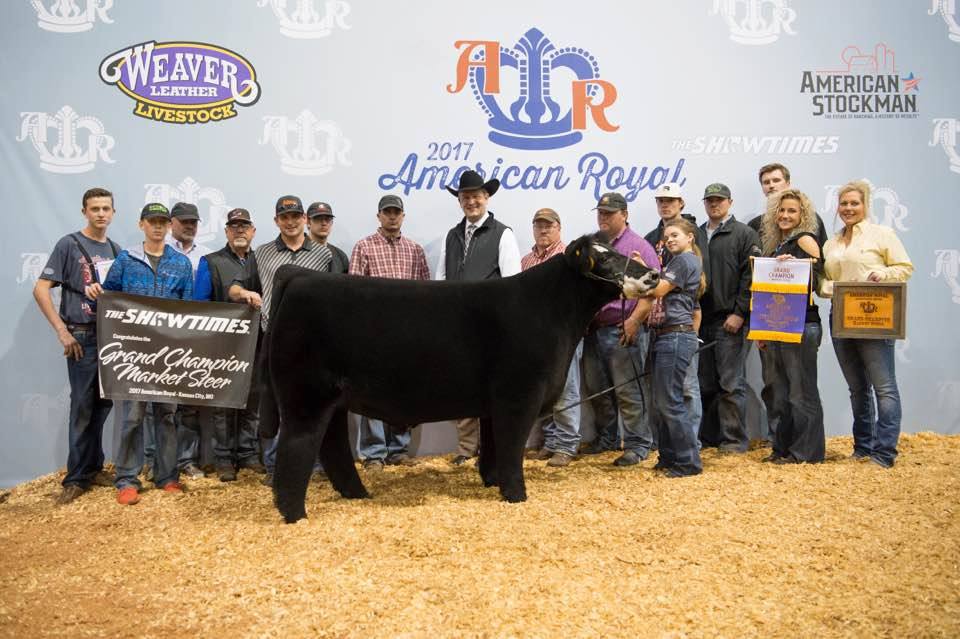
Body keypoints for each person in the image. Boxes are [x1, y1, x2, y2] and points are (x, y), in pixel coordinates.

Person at [85, 203, 194, 505]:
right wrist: (97, 294)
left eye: (162, 222)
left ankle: (168, 476)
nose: (158, 227)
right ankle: (127, 479)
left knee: (168, 415)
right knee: (132, 416)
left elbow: (186, 311)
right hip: (132, 354)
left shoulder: (181, 264)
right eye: (152, 222)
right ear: (141, 224)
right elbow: (109, 302)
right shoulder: (125, 260)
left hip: (168, 355)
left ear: (169, 226)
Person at [229, 195, 333, 486]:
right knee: (275, 405)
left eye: (295, 216)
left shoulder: (324, 255)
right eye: (284, 217)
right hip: (274, 338)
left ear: (304, 220)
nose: (290, 222)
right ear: (276, 221)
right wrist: (246, 294)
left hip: (313, 341)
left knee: (311, 403)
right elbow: (235, 286)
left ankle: (311, 464)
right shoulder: (261, 253)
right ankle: (276, 466)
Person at [33, 187, 121, 504]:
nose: (100, 213)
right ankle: (76, 477)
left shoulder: (116, 250)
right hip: (81, 334)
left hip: (110, 338)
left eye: (106, 208)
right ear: (84, 211)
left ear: (113, 213)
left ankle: (93, 467)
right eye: (94, 208)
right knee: (82, 407)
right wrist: (61, 330)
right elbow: (41, 289)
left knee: (102, 406)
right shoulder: (69, 245)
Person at [821, 180, 914, 468]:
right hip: (841, 315)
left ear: (865, 205)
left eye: (854, 203)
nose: (848, 208)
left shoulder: (881, 234)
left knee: (884, 387)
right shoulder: (832, 242)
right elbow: (824, 280)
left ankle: (884, 452)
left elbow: (904, 268)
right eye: (844, 204)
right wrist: (830, 288)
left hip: (875, 316)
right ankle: (862, 447)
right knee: (857, 387)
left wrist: (880, 275)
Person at [436, 170, 521, 465]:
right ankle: (465, 448)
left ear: (487, 197)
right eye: (465, 197)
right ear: (459, 201)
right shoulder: (452, 234)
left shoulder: (503, 233)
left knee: (492, 388)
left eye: (476, 196)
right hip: (457, 324)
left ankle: (493, 450)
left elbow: (513, 283)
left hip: (490, 325)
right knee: (462, 387)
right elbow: (441, 278)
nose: (471, 201)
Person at [349, 194, 431, 470]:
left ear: (403, 216)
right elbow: (355, 293)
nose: (392, 216)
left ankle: (398, 448)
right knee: (371, 392)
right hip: (373, 332)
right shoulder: (364, 246)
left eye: (396, 212)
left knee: (403, 390)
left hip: (407, 334)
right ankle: (374, 453)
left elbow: (424, 292)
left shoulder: (415, 250)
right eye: (387, 212)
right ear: (379, 216)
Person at [747, 163, 827, 445]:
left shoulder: (805, 239)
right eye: (781, 211)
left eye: (791, 211)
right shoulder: (778, 243)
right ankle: (785, 446)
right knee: (782, 391)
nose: (785, 215)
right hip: (777, 324)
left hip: (802, 323)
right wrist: (761, 326)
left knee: (801, 392)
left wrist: (798, 267)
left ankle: (806, 450)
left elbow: (817, 276)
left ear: (802, 214)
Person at [580, 192, 659, 466]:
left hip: (623, 326)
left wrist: (634, 321)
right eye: (600, 212)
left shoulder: (639, 246)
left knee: (629, 390)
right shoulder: (596, 247)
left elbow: (652, 290)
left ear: (624, 215)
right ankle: (608, 439)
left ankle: (638, 444)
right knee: (598, 388)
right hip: (595, 327)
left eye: (609, 213)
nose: (603, 217)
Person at [193, 208, 265, 481]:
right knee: (223, 403)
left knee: (253, 400)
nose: (239, 231)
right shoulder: (210, 261)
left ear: (253, 231)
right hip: (221, 345)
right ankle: (223, 458)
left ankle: (248, 454)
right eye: (234, 226)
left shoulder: (262, 260)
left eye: (244, 226)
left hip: (256, 343)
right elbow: (199, 305)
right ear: (226, 231)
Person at [697, 183, 761, 453]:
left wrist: (739, 312)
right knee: (706, 383)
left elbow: (752, 276)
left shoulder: (744, 233)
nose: (715, 204)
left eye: (719, 200)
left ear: (730, 202)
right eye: (710, 200)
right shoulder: (697, 235)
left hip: (729, 320)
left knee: (731, 383)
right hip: (702, 319)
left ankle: (734, 441)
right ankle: (711, 438)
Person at [644, 182, 709, 444]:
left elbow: (659, 288)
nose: (665, 204)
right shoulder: (654, 239)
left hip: (677, 329)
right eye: (661, 200)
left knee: (684, 391)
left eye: (670, 200)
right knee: (667, 394)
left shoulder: (685, 257)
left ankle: (688, 446)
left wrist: (641, 272)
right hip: (663, 326)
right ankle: (673, 447)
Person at [520, 208, 582, 467]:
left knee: (565, 388)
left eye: (549, 225)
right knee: (542, 391)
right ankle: (550, 442)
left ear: (559, 228)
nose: (543, 230)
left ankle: (566, 445)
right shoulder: (526, 261)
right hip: (535, 336)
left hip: (562, 334)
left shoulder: (570, 258)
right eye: (539, 225)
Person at [166, 202, 212, 479]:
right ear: (172, 222)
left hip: (193, 337)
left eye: (193, 222)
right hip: (161, 336)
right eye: (184, 221)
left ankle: (186, 460)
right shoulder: (158, 251)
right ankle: (156, 462)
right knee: (158, 404)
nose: (189, 226)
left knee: (190, 403)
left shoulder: (205, 256)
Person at [307, 201, 349, 274]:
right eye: (318, 218)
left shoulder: (340, 256)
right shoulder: (299, 253)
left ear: (332, 223)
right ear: (308, 222)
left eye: (327, 219)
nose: (324, 223)